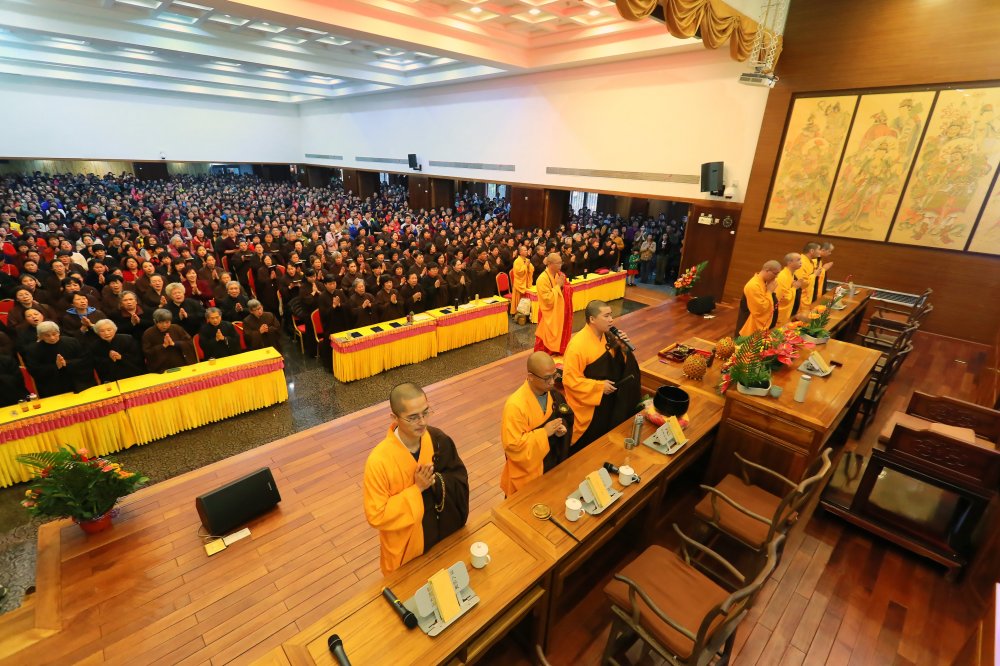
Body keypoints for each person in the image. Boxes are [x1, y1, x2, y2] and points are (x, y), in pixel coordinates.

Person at [363, 383, 470, 575]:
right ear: (394, 418)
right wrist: (417, 489)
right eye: (413, 417)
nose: (422, 422)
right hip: (406, 551)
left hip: (443, 534)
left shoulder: (437, 440)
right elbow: (376, 516)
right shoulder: (378, 461)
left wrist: (436, 481)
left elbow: (459, 478)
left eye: (426, 413)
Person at [562, 300, 640, 450]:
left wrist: (624, 350)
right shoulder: (577, 346)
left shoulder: (609, 337)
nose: (611, 319)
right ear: (592, 319)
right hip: (591, 405)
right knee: (588, 447)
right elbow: (569, 381)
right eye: (606, 316)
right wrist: (598, 387)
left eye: (611, 315)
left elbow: (617, 366)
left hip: (609, 400)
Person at [499, 352, 571, 497]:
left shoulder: (554, 395)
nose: (552, 382)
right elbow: (513, 447)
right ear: (530, 377)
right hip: (527, 476)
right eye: (547, 378)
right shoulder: (515, 406)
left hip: (551, 466)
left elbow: (566, 417)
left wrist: (561, 427)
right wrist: (544, 433)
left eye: (554, 375)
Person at [25, 321, 97, 397]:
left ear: (58, 332)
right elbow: (34, 370)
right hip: (53, 388)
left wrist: (67, 363)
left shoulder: (72, 342)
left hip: (78, 383)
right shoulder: (33, 350)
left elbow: (86, 360)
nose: (52, 338)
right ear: (40, 336)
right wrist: (56, 366)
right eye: (47, 335)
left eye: (54, 334)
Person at [534, 253, 571, 356]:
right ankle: (543, 356)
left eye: (561, 262)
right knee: (545, 338)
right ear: (550, 264)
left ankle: (556, 351)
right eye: (558, 263)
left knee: (559, 331)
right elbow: (548, 299)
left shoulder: (558, 275)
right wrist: (559, 286)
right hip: (547, 312)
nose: (560, 265)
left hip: (558, 309)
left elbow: (566, 289)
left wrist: (564, 286)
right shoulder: (542, 279)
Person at [142, 308, 198, 373]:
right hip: (161, 369)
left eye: (167, 322)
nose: (164, 325)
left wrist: (175, 343)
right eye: (161, 322)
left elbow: (190, 343)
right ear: (155, 321)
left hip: (181, 365)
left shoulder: (176, 328)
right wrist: (163, 346)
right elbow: (147, 352)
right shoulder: (148, 333)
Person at [740, 260, 781, 336]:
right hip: (751, 326)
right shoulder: (753, 285)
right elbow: (760, 309)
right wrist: (769, 292)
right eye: (775, 273)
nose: (777, 276)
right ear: (767, 270)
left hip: (761, 326)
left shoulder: (764, 282)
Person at [775, 252, 803, 327]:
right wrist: (794, 288)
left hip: (789, 311)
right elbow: (783, 297)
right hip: (780, 313)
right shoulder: (782, 276)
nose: (801, 262)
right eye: (798, 260)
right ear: (790, 262)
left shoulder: (792, 274)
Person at [795, 242, 822, 308]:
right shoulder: (801, 262)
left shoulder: (810, 261)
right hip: (800, 298)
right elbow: (802, 282)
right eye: (819, 249)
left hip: (808, 296)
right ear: (812, 251)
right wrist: (814, 275)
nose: (820, 252)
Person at [509, 245, 534, 315]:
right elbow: (519, 272)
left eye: (526, 250)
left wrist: (528, 266)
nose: (526, 251)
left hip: (525, 282)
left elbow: (532, 269)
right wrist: (526, 265)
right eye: (524, 250)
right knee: (518, 299)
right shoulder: (517, 261)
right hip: (519, 283)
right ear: (520, 252)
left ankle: (526, 312)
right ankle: (517, 312)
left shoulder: (527, 260)